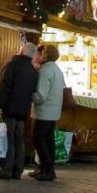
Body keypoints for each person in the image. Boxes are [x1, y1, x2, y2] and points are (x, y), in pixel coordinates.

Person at [0, 41, 39, 180]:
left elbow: (4, 87)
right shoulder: (33, 72)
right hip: (23, 111)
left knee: (8, 139)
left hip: (10, 109)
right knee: (19, 140)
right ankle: (18, 170)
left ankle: (6, 169)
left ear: (22, 51)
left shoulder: (13, 66)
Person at [31, 43, 65, 181]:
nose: (39, 55)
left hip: (44, 112)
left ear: (45, 55)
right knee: (48, 141)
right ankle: (47, 168)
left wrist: (29, 95)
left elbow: (40, 95)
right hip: (54, 111)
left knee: (38, 139)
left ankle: (47, 169)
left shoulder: (45, 71)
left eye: (42, 52)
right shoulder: (57, 70)